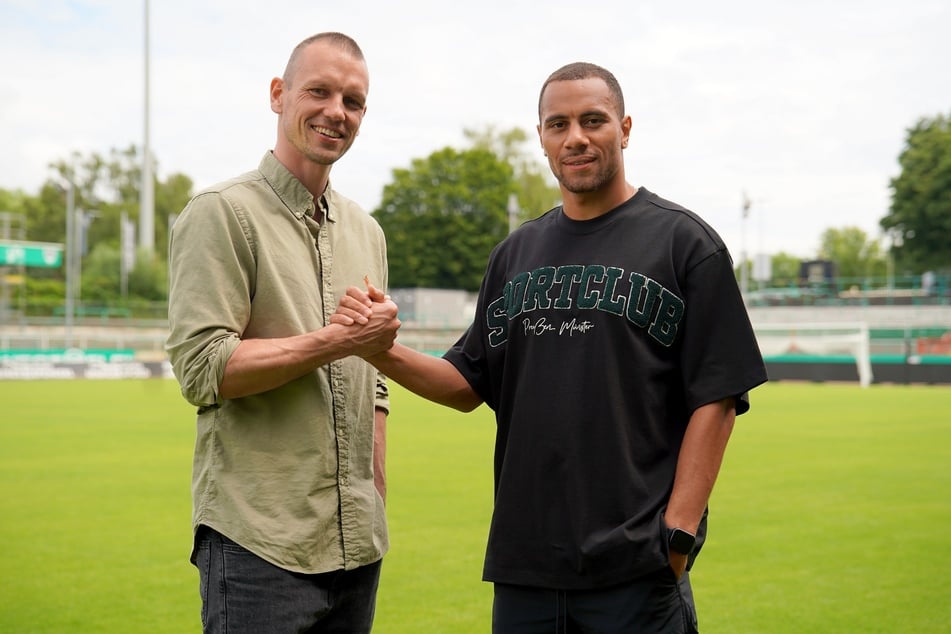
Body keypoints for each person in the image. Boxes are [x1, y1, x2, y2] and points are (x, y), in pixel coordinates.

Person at [334, 62, 768, 632]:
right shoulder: (515, 254)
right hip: (526, 573)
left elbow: (717, 396)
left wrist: (679, 534)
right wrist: (378, 349)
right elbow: (468, 383)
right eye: (558, 124)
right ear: (541, 137)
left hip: (635, 571)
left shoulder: (684, 244)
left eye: (594, 120)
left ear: (625, 127)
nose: (576, 137)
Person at [165, 32, 401, 633]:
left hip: (356, 547)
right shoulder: (221, 212)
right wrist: (334, 340)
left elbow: (374, 381)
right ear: (278, 94)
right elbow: (202, 370)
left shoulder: (366, 232)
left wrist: (373, 492)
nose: (335, 112)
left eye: (352, 101)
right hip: (257, 548)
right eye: (318, 92)